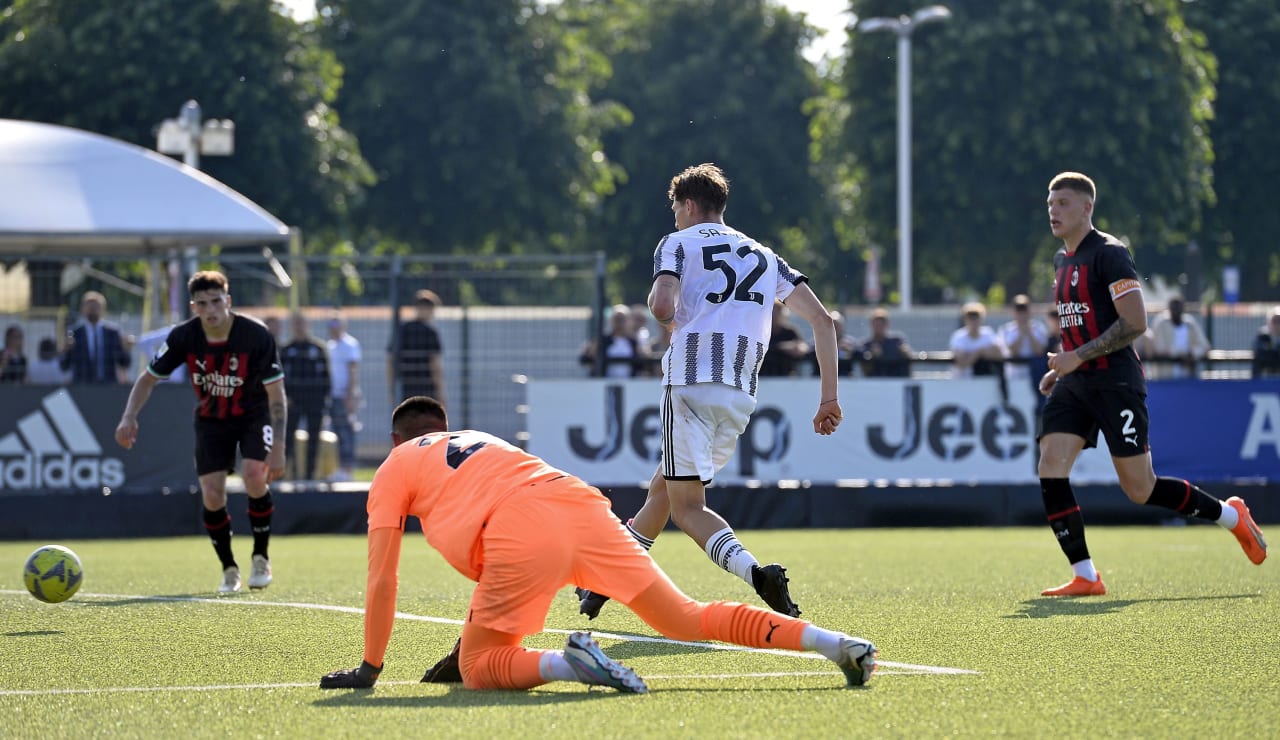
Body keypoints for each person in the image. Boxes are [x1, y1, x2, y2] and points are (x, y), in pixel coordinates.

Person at [318, 397, 877, 692]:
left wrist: (371, 666)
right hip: (578, 502)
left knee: (483, 665)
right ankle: (835, 643)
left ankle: (571, 665)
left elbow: (382, 577)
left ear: (395, 440)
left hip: (517, 528)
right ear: (446, 424)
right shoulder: (477, 440)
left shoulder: (394, 465)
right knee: (684, 617)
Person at [575, 163, 843, 621]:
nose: (675, 217)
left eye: (676, 208)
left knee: (688, 509)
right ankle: (605, 584)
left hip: (690, 383)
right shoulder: (764, 254)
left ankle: (759, 575)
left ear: (690, 205)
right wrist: (828, 398)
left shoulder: (676, 243)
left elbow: (661, 305)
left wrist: (670, 319)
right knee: (664, 488)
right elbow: (821, 321)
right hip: (740, 393)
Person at [1037, 172, 1266, 597]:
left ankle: (1231, 516)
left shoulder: (1109, 254)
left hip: (1115, 383)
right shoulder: (1060, 261)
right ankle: (1086, 575)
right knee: (1050, 465)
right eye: (1051, 203)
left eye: (1063, 203)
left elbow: (1136, 323)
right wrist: (1062, 366)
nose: (1054, 210)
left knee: (1140, 489)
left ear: (1087, 208)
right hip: (1077, 384)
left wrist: (1076, 357)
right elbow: (1081, 324)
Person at [114, 271, 287, 593]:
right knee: (211, 494)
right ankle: (229, 569)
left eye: (217, 301)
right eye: (203, 304)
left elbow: (277, 396)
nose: (211, 310)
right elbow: (148, 378)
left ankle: (261, 556)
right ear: (194, 306)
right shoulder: (184, 337)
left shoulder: (256, 335)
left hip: (254, 415)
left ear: (228, 301)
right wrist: (129, 417)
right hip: (211, 420)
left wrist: (278, 445)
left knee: (253, 475)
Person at [280, 312, 331, 481]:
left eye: (302, 323)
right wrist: (285, 397)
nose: (299, 327)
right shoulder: (285, 350)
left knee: (313, 438)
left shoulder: (318, 348)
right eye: (296, 324)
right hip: (292, 402)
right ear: (291, 327)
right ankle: (284, 474)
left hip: (314, 402)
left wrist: (323, 398)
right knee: (287, 437)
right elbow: (279, 377)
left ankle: (309, 475)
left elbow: (326, 377)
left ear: (308, 325)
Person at [388, 289, 446, 410]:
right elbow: (435, 365)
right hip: (427, 388)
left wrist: (392, 389)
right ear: (428, 308)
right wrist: (441, 393)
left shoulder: (401, 330)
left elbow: (390, 361)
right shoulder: (430, 332)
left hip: (404, 386)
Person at [61, 290, 131, 384]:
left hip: (108, 386)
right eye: (89, 306)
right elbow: (64, 366)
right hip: (81, 388)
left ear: (103, 309)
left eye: (96, 306)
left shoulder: (113, 332)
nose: (92, 309)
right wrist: (65, 351)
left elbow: (124, 363)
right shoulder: (74, 333)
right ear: (82, 309)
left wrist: (126, 348)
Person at [326, 311, 363, 482]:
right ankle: (340, 467)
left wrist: (350, 394)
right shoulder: (330, 346)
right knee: (337, 431)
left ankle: (347, 469)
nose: (333, 329)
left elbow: (353, 370)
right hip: (333, 395)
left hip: (344, 395)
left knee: (345, 432)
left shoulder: (350, 344)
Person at [1148, 295, 1210, 379]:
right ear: (1169, 308)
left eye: (1178, 307)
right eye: (1173, 308)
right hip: (1164, 378)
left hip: (1188, 377)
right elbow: (1159, 349)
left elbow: (1204, 346)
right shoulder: (1161, 323)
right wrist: (1181, 355)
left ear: (1183, 308)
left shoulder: (1190, 324)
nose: (1176, 311)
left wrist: (1192, 354)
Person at [578, 304, 646, 378]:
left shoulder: (633, 342)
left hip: (629, 384)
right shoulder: (602, 340)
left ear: (628, 321)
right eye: (617, 319)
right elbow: (585, 359)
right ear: (611, 321)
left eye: (622, 320)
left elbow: (641, 364)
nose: (619, 323)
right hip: (604, 383)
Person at [999, 294, 1049, 386]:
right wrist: (1022, 333)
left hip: (1035, 374)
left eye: (1024, 310)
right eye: (1019, 310)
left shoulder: (1039, 328)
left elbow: (1039, 351)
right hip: (1013, 375)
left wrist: (1029, 333)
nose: (1022, 314)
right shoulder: (1006, 329)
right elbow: (1013, 352)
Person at [949, 302, 1006, 378]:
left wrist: (971, 355)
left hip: (984, 381)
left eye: (976, 317)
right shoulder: (958, 336)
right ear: (965, 319)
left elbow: (1000, 354)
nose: (973, 321)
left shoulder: (988, 333)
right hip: (962, 381)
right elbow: (962, 363)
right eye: (970, 317)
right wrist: (979, 353)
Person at [856, 308, 913, 378]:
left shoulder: (897, 340)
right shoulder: (865, 345)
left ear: (887, 324)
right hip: (874, 383)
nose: (879, 325)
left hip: (896, 381)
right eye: (876, 322)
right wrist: (872, 356)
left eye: (882, 322)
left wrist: (905, 353)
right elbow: (865, 371)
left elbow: (909, 358)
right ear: (871, 324)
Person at [758, 302, 810, 376]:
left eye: (778, 313)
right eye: (773, 313)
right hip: (762, 376)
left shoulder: (790, 332)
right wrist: (781, 347)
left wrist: (798, 348)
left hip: (785, 375)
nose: (775, 317)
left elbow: (802, 348)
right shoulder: (761, 332)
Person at [1251, 307, 1280, 379]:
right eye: (1274, 321)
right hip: (1266, 376)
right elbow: (1261, 353)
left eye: (1279, 321)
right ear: (1269, 322)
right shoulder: (1262, 335)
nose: (1277, 324)